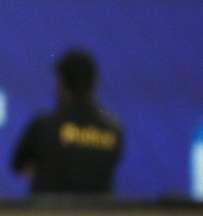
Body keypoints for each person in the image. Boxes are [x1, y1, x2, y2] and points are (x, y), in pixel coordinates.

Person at [12, 49, 123, 196]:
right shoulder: (114, 131)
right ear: (95, 83)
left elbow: (19, 166)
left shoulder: (43, 128)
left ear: (61, 82)